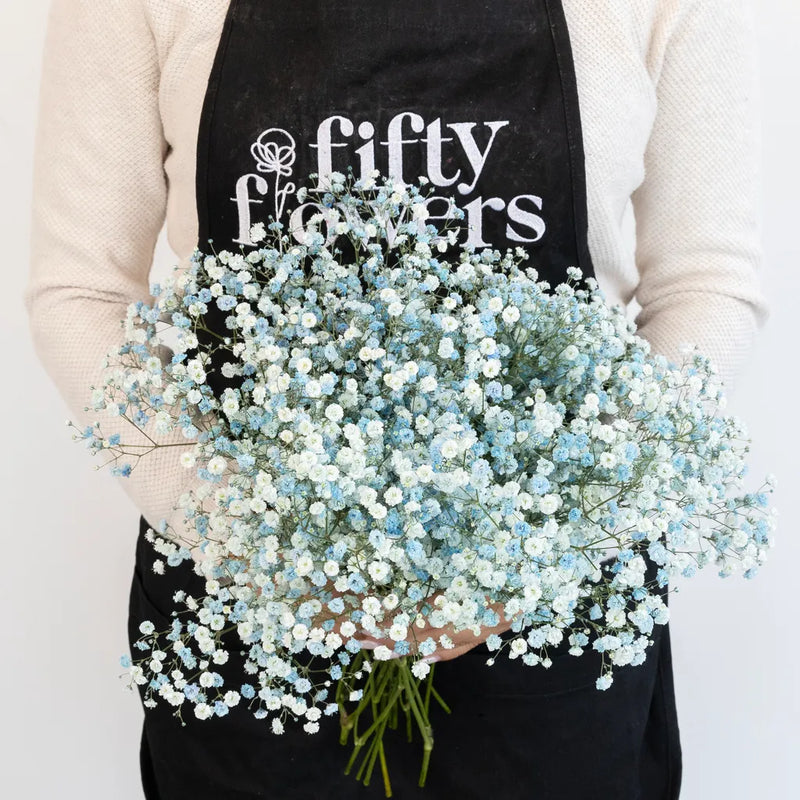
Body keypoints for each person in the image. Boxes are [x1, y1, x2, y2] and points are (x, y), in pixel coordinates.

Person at [25, 1, 770, 798]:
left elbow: (707, 285)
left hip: (552, 632)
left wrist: (534, 554)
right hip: (248, 618)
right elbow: (82, 291)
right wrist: (249, 538)